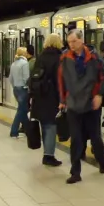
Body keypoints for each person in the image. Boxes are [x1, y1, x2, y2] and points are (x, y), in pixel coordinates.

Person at [58, 28, 104, 184]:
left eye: (74, 41)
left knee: (95, 137)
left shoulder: (94, 58)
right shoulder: (64, 59)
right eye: (69, 42)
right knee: (75, 139)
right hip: (73, 104)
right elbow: (60, 80)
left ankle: (102, 163)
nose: (71, 45)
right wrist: (62, 100)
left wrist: (100, 94)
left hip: (91, 103)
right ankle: (75, 172)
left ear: (81, 41)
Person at [29, 34, 63, 167]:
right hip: (51, 97)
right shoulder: (59, 58)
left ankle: (47, 152)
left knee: (44, 125)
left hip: (39, 97)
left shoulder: (40, 57)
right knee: (51, 126)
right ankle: (48, 156)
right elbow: (59, 79)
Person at [8, 47, 30, 140]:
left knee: (23, 110)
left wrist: (15, 87)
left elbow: (10, 78)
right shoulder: (25, 64)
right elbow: (26, 78)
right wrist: (29, 88)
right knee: (21, 110)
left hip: (16, 89)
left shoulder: (14, 64)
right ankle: (14, 131)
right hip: (23, 89)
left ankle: (29, 130)